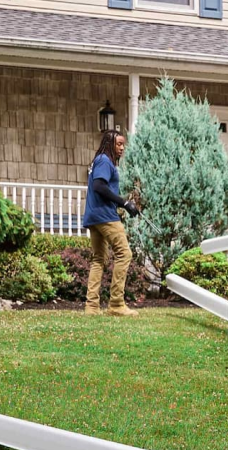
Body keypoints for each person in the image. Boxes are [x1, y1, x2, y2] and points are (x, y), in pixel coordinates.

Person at [82, 129, 140, 317]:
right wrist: (123, 202)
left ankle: (91, 307)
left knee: (99, 259)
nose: (122, 148)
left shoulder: (100, 161)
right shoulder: (104, 161)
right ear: (109, 144)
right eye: (119, 144)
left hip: (93, 216)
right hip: (105, 216)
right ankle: (116, 304)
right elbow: (99, 186)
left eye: (123, 144)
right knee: (124, 254)